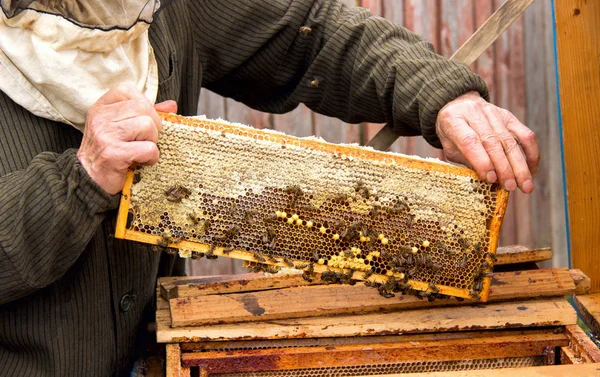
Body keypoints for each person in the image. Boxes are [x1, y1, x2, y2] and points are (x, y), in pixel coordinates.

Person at [0, 0, 539, 376]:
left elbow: (310, 34)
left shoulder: (169, 9)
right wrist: (82, 177)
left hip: (157, 355)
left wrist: (441, 96)